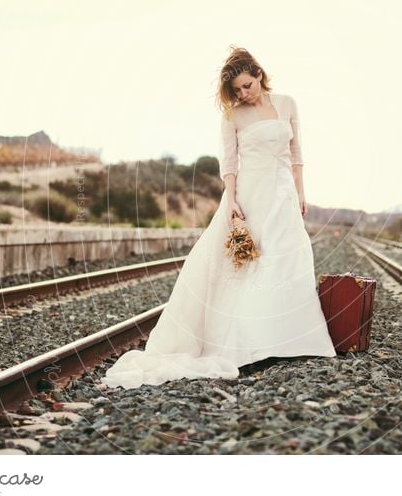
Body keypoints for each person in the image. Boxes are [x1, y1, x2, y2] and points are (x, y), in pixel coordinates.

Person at [101, 46, 336, 388]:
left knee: (287, 257)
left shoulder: (287, 104)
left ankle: (291, 339)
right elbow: (229, 163)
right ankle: (251, 341)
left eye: (247, 86)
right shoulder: (233, 116)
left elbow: (297, 153)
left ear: (259, 75)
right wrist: (231, 205)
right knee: (249, 262)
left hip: (283, 192)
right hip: (249, 194)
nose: (243, 94)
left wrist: (301, 192)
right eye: (237, 90)